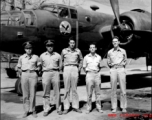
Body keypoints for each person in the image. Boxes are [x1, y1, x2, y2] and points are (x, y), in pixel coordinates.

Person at [16, 41, 40, 118]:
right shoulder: (21, 57)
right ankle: (26, 110)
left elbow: (39, 66)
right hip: (24, 74)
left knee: (33, 93)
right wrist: (22, 73)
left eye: (30, 48)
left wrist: (37, 71)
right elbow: (18, 67)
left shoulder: (36, 57)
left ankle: (33, 110)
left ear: (32, 49)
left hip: (33, 74)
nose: (29, 50)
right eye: (27, 48)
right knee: (25, 94)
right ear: (25, 49)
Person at [39, 39, 62, 116]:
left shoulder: (58, 55)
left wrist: (58, 71)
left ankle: (58, 108)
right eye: (48, 46)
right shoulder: (42, 56)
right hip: (46, 73)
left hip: (55, 73)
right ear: (46, 47)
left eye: (51, 45)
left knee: (57, 91)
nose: (50, 47)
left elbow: (60, 65)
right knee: (46, 92)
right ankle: (46, 108)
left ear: (53, 46)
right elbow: (40, 65)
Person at [61, 37, 83, 114]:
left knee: (74, 88)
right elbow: (61, 60)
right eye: (71, 43)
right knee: (66, 89)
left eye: (73, 43)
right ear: (68, 43)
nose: (72, 44)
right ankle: (66, 107)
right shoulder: (64, 51)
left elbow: (81, 60)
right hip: (66, 68)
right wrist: (62, 69)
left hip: (74, 68)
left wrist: (79, 68)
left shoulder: (78, 51)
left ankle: (75, 106)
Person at [107, 36, 127, 113]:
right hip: (113, 69)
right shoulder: (109, 52)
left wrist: (121, 67)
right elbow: (108, 62)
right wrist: (113, 67)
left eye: (116, 41)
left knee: (123, 89)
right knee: (113, 89)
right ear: (112, 43)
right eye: (113, 41)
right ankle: (114, 107)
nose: (115, 43)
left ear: (119, 42)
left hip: (121, 69)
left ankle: (123, 106)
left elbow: (125, 60)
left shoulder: (123, 51)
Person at [83, 43, 103, 114]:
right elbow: (84, 67)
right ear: (89, 49)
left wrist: (96, 72)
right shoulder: (86, 57)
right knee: (89, 92)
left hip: (97, 74)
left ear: (96, 48)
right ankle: (89, 107)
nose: (92, 49)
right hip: (89, 74)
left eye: (93, 47)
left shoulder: (99, 57)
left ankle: (98, 107)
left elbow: (100, 66)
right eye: (91, 47)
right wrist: (89, 73)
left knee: (98, 93)